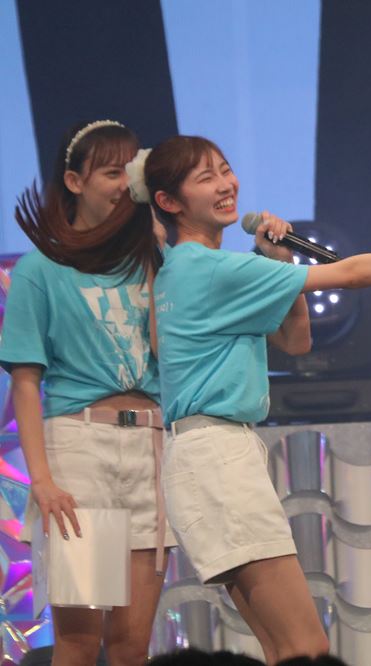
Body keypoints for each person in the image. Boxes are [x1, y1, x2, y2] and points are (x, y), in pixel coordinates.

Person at [108, 134, 371, 663]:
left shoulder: (187, 268)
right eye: (206, 178)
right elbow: (352, 273)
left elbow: (296, 342)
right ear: (168, 202)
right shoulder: (211, 269)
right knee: (306, 647)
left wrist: (279, 259)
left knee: (284, 648)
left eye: (225, 169)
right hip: (217, 459)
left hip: (206, 458)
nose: (226, 184)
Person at [0, 120, 173, 666]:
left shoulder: (153, 261)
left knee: (131, 646)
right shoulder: (41, 270)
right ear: (75, 182)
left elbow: (164, 350)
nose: (125, 184)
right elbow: (25, 382)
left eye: (131, 172)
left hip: (150, 446)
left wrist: (158, 251)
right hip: (80, 448)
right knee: (78, 642)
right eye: (111, 172)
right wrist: (42, 480)